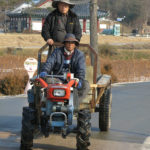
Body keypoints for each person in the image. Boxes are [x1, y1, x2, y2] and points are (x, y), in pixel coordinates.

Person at [40, 33, 89, 102]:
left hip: (73, 81)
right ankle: (49, 101)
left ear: (75, 44)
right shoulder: (57, 52)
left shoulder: (80, 55)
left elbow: (81, 69)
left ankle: (76, 103)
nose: (70, 44)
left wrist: (79, 80)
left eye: (72, 42)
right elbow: (49, 63)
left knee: (86, 85)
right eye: (68, 42)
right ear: (64, 43)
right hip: (58, 79)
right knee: (46, 81)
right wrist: (44, 71)